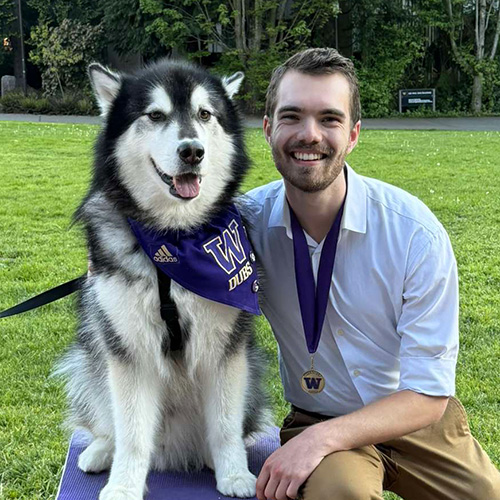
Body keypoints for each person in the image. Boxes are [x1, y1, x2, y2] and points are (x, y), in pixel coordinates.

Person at [244, 47, 500, 500]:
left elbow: (428, 392)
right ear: (268, 129)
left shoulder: (414, 234)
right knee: (341, 493)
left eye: (329, 118)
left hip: (414, 420)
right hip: (318, 414)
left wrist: (317, 442)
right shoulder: (243, 228)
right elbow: (167, 248)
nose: (309, 135)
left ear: (355, 134)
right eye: (291, 117)